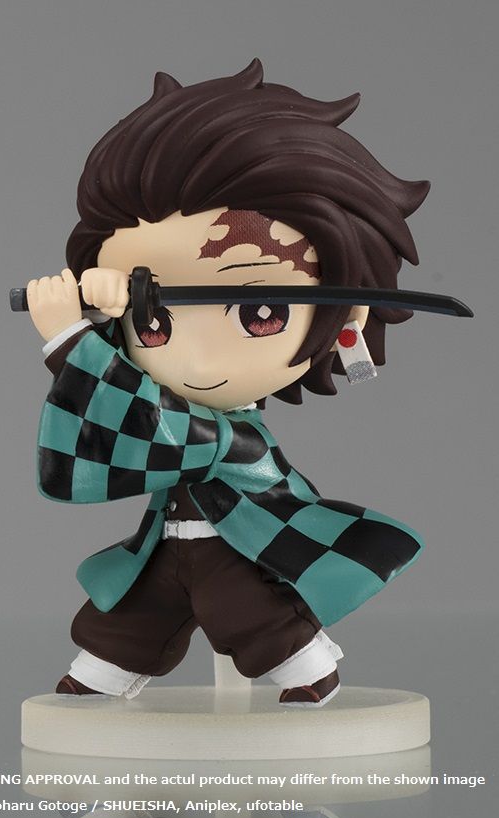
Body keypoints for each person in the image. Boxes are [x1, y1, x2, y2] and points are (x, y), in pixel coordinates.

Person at [27, 60, 426, 707]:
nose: (197, 355)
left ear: (348, 313)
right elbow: (129, 397)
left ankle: (309, 669)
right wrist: (107, 320)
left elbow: (145, 421)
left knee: (244, 606)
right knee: (130, 609)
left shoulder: (228, 437)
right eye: (155, 322)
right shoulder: (154, 390)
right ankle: (99, 678)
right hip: (169, 536)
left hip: (241, 542)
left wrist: (70, 341)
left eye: (259, 311)